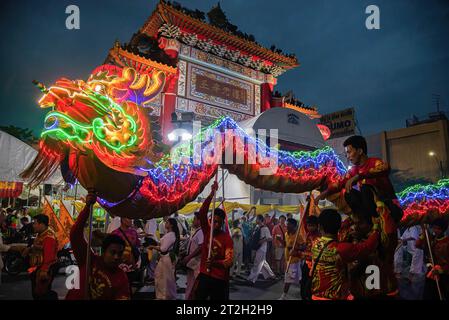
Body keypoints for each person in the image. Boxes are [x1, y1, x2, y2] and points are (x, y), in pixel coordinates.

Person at [316, 135, 402, 223]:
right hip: (370, 208)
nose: (347, 156)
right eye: (346, 154)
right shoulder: (353, 170)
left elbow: (385, 168)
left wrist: (359, 176)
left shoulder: (375, 162)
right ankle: (366, 222)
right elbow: (339, 183)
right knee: (349, 193)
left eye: (349, 152)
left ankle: (375, 220)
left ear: (360, 151)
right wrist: (324, 193)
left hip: (390, 207)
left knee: (365, 189)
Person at [66, 194, 130, 300]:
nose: (116, 257)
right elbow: (75, 233)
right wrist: (87, 207)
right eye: (112, 252)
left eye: (119, 253)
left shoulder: (121, 277)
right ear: (103, 251)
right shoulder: (88, 260)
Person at [311, 209, 380, 300]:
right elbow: (367, 247)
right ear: (339, 226)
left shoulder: (315, 243)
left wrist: (350, 219)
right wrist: (376, 228)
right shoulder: (342, 249)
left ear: (319, 227)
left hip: (316, 296)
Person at [192, 181, 233, 300]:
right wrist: (211, 194)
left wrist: (214, 263)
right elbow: (202, 212)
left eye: (218, 223)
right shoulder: (207, 230)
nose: (215, 225)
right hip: (205, 274)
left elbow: (229, 261)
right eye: (213, 221)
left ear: (221, 224)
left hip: (219, 279)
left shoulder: (227, 239)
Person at [26, 214, 59, 300]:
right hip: (38, 266)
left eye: (35, 223)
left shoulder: (49, 237)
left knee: (41, 292)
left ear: (41, 224)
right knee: (38, 291)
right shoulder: (41, 233)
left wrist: (44, 270)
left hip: (45, 268)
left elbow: (49, 256)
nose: (33, 225)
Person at [416, 218, 449, 300]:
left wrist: (440, 270)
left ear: (443, 229)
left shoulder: (447, 242)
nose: (435, 230)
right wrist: (424, 231)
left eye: (438, 228)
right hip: (432, 272)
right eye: (434, 228)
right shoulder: (432, 239)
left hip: (444, 275)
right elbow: (418, 244)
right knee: (430, 295)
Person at [149, 218, 180, 300]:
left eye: (167, 222)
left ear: (171, 225)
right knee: (163, 276)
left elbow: (163, 249)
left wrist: (153, 246)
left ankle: (164, 296)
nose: (165, 223)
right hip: (165, 258)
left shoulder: (170, 235)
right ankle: (164, 295)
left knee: (164, 278)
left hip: (167, 258)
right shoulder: (170, 234)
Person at [394, 224, 426, 299]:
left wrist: (412, 273)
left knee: (416, 289)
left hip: (417, 264)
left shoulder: (414, 228)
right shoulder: (408, 229)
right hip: (411, 259)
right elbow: (402, 239)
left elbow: (417, 252)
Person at [111, 217, 141, 292]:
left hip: (131, 264)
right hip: (118, 265)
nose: (131, 220)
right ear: (123, 220)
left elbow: (137, 245)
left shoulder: (134, 232)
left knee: (128, 286)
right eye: (129, 219)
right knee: (119, 287)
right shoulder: (115, 233)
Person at [181, 211, 204, 299]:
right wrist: (184, 253)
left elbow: (201, 247)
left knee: (193, 285)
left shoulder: (201, 232)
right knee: (190, 283)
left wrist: (189, 257)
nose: (193, 221)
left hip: (196, 263)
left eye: (194, 219)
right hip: (192, 263)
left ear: (199, 221)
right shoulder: (197, 231)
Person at [247, 215, 276, 284]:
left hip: (262, 248)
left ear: (260, 220)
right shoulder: (257, 227)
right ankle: (271, 275)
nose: (256, 220)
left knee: (257, 263)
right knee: (263, 263)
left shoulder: (265, 228)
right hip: (258, 247)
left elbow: (270, 238)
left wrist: (263, 240)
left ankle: (251, 279)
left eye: (257, 219)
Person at [279, 218, 303, 300]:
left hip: (294, 261)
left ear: (294, 226)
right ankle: (305, 291)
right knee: (298, 279)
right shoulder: (286, 234)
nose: (287, 226)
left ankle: (284, 296)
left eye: (289, 224)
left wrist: (296, 249)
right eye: (287, 224)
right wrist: (280, 240)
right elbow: (286, 244)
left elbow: (304, 246)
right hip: (288, 259)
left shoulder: (298, 236)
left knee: (288, 279)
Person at [300, 215, 320, 300]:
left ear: (317, 226)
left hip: (313, 265)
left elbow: (315, 253)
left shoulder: (319, 237)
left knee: (309, 287)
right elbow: (305, 247)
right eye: (308, 225)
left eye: (312, 225)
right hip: (306, 263)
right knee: (303, 283)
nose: (309, 227)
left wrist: (299, 253)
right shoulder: (307, 234)